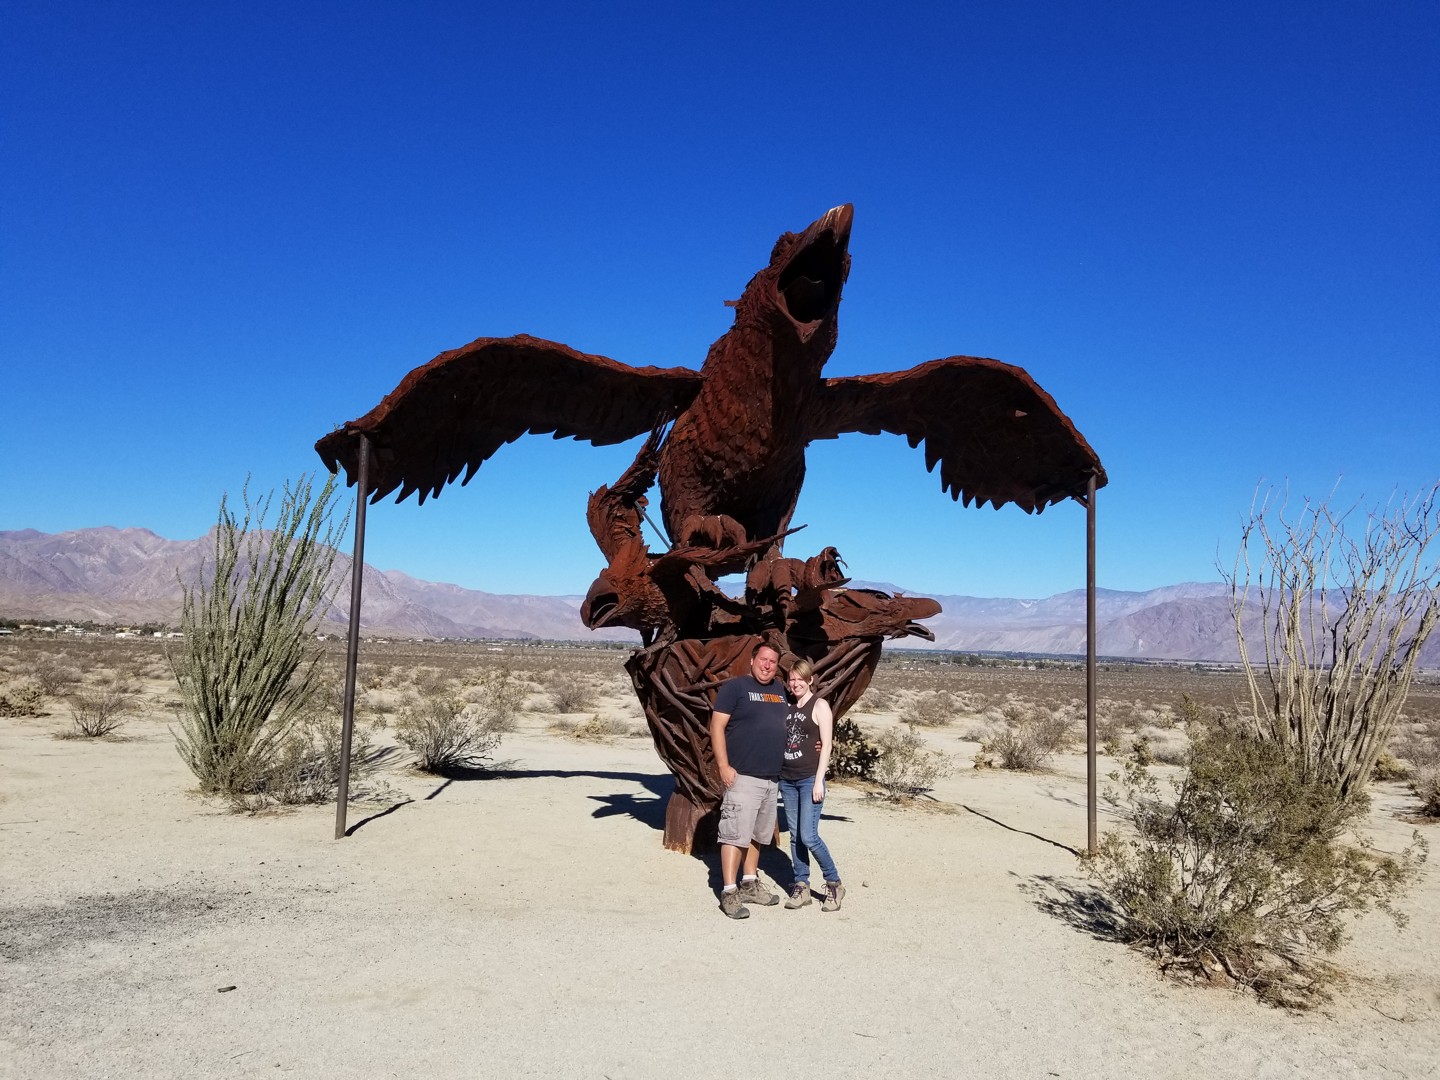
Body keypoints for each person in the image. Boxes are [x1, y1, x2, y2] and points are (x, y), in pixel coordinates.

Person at [709, 641, 789, 919]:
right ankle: (729, 892)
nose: (767, 665)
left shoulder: (780, 691)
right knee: (734, 834)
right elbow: (716, 726)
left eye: (772, 662)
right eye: (763, 659)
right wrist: (723, 766)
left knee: (758, 835)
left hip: (771, 777)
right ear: (752, 660)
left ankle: (749, 883)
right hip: (742, 776)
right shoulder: (735, 688)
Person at [778, 658, 844, 912]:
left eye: (800, 679)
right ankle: (801, 884)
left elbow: (826, 745)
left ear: (810, 680)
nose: (795, 684)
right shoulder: (788, 707)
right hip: (787, 779)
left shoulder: (820, 705)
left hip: (808, 780)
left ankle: (834, 883)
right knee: (796, 837)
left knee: (809, 836)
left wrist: (819, 781)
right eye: (792, 680)